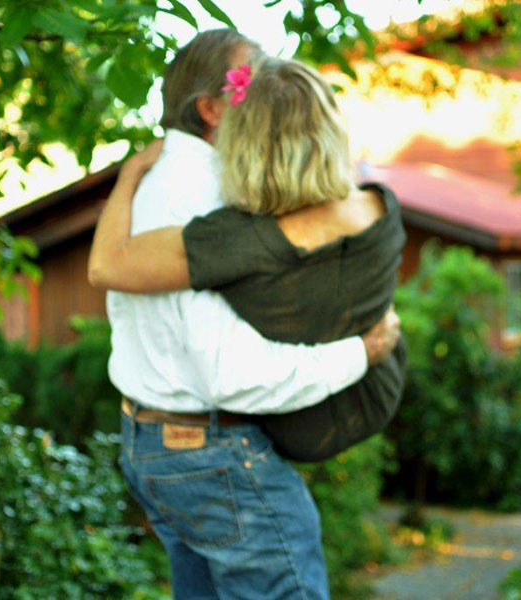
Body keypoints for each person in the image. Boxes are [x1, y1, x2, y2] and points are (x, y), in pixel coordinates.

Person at [89, 31, 401, 599]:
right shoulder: (207, 197)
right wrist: (364, 351)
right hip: (212, 456)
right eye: (253, 77)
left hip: (155, 445)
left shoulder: (163, 180)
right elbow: (235, 377)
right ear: (211, 108)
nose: (272, 85)